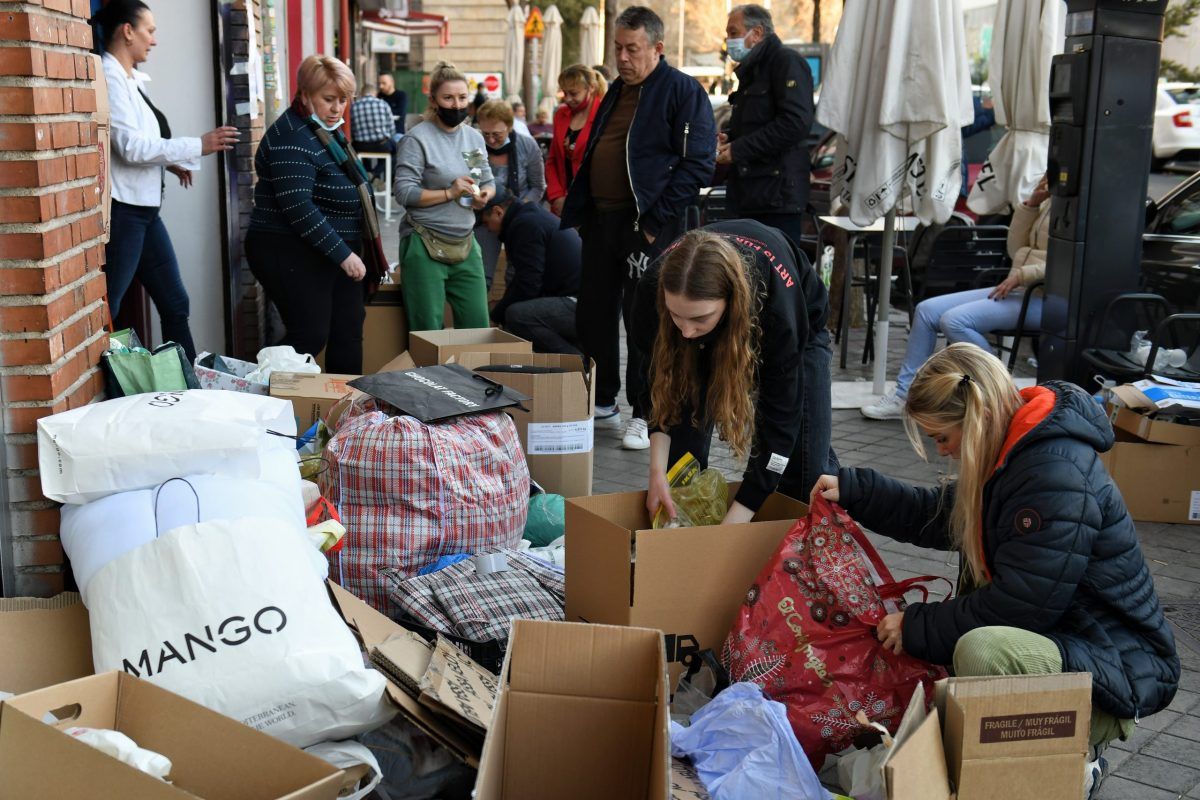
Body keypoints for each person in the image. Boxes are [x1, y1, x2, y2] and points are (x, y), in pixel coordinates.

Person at [811, 343, 1179, 795]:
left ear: (979, 416)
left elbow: (1022, 607)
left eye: (943, 438)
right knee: (969, 625)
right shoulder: (1017, 450)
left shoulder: (1052, 472)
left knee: (982, 650)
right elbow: (942, 514)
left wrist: (917, 624)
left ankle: (1071, 759)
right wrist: (855, 490)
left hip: (1115, 672)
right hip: (1078, 645)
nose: (943, 452)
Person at [560, 6, 716, 450]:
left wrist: (653, 221)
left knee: (645, 319)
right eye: (617, 48)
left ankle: (645, 411)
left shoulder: (682, 90)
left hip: (646, 225)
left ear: (657, 48)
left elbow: (698, 164)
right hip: (601, 221)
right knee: (592, 313)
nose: (623, 57)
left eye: (633, 49)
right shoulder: (615, 89)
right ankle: (602, 399)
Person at [635, 220, 838, 524]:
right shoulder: (651, 289)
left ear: (731, 302)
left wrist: (736, 521)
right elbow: (656, 389)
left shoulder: (777, 313)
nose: (688, 331)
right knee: (681, 466)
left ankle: (825, 528)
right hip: (724, 320)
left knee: (803, 470)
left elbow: (779, 419)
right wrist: (656, 475)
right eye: (677, 315)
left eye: (700, 318)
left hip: (799, 327)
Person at [93, 0, 238, 362]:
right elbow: (129, 146)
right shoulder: (110, 76)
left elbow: (138, 142)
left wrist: (172, 161)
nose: (154, 40)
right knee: (107, 309)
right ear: (128, 31)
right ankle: (105, 386)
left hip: (144, 213)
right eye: (150, 30)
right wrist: (197, 145)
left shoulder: (130, 78)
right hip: (126, 213)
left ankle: (187, 385)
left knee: (175, 303)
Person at [863, 175, 1051, 420]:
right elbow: (1015, 248)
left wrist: (1024, 274)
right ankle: (904, 395)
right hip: (1017, 290)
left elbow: (1070, 262)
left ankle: (1002, 390)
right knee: (926, 310)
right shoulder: (1048, 202)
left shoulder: (1076, 207)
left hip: (1045, 297)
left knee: (954, 321)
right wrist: (1031, 206)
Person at [246, 55, 368, 374]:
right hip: (288, 247)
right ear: (304, 95)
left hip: (327, 248)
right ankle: (265, 397)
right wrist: (345, 255)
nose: (337, 108)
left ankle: (348, 409)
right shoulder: (292, 136)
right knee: (310, 334)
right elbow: (299, 207)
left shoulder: (323, 131)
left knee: (349, 329)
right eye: (328, 99)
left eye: (343, 100)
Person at [393, 63, 494, 332]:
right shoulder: (417, 139)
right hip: (423, 242)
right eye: (448, 98)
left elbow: (484, 177)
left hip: (465, 242)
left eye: (462, 98)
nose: (456, 104)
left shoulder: (472, 138)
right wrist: (450, 192)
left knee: (478, 328)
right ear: (433, 101)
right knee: (428, 332)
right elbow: (404, 192)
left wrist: (484, 195)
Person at [717, 4, 814, 245]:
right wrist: (730, 137)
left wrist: (738, 150)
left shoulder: (785, 62)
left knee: (773, 275)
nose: (728, 40)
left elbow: (794, 123)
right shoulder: (752, 71)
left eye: (733, 33)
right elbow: (757, 124)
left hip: (776, 198)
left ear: (757, 33)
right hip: (750, 195)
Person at [479, 188, 582, 355]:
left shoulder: (525, 225)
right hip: (580, 300)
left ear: (498, 212)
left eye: (486, 223)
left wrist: (496, 314)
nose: (489, 230)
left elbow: (528, 285)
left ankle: (576, 362)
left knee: (516, 315)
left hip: (581, 304)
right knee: (513, 314)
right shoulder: (530, 216)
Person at [473, 99, 546, 288]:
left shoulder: (527, 145)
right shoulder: (474, 147)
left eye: (496, 134)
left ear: (510, 127)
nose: (490, 140)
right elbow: (473, 182)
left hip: (519, 213)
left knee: (518, 272)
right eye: (485, 133)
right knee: (481, 273)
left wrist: (517, 210)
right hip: (484, 216)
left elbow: (538, 186)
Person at [546, 64, 606, 217]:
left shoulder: (605, 114)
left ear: (591, 88)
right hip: (562, 203)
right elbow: (552, 160)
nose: (567, 99)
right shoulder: (561, 114)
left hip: (593, 204)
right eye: (564, 93)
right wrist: (557, 196)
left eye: (573, 93)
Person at [350, 87, 397, 183]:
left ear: (361, 94)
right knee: (396, 150)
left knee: (359, 149)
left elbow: (352, 130)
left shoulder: (354, 106)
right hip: (381, 145)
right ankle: (376, 173)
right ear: (375, 93)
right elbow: (392, 130)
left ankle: (368, 172)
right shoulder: (383, 104)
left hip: (360, 146)